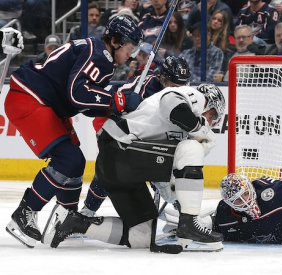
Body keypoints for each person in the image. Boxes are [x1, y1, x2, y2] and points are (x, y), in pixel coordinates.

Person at [4, 15, 143, 249]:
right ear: (116, 40)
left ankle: (67, 218)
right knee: (67, 158)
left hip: (45, 102)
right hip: (31, 97)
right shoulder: (100, 55)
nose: (130, 54)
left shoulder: (98, 53)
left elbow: (83, 104)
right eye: (129, 47)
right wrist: (116, 99)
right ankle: (25, 212)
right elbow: (77, 94)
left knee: (76, 162)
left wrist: (112, 107)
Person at [44, 84, 226, 252]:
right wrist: (199, 128)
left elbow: (168, 180)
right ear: (209, 102)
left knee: (141, 236)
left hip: (117, 165)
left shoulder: (174, 131)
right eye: (212, 116)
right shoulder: (195, 97)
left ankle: (79, 222)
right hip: (121, 150)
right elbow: (170, 103)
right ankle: (189, 223)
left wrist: (179, 202)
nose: (210, 123)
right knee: (191, 148)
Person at [79, 56, 193, 218]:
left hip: (142, 131)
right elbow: (109, 104)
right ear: (162, 79)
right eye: (174, 86)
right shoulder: (144, 89)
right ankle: (86, 213)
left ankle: (186, 215)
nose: (178, 90)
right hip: (111, 123)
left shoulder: (184, 95)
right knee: (110, 167)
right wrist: (125, 104)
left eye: (182, 86)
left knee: (163, 168)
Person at [161, 174, 282, 244]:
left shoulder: (276, 193)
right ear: (228, 204)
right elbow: (216, 228)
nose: (244, 201)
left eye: (245, 194)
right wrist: (188, 227)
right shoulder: (225, 215)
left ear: (251, 188)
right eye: (237, 201)